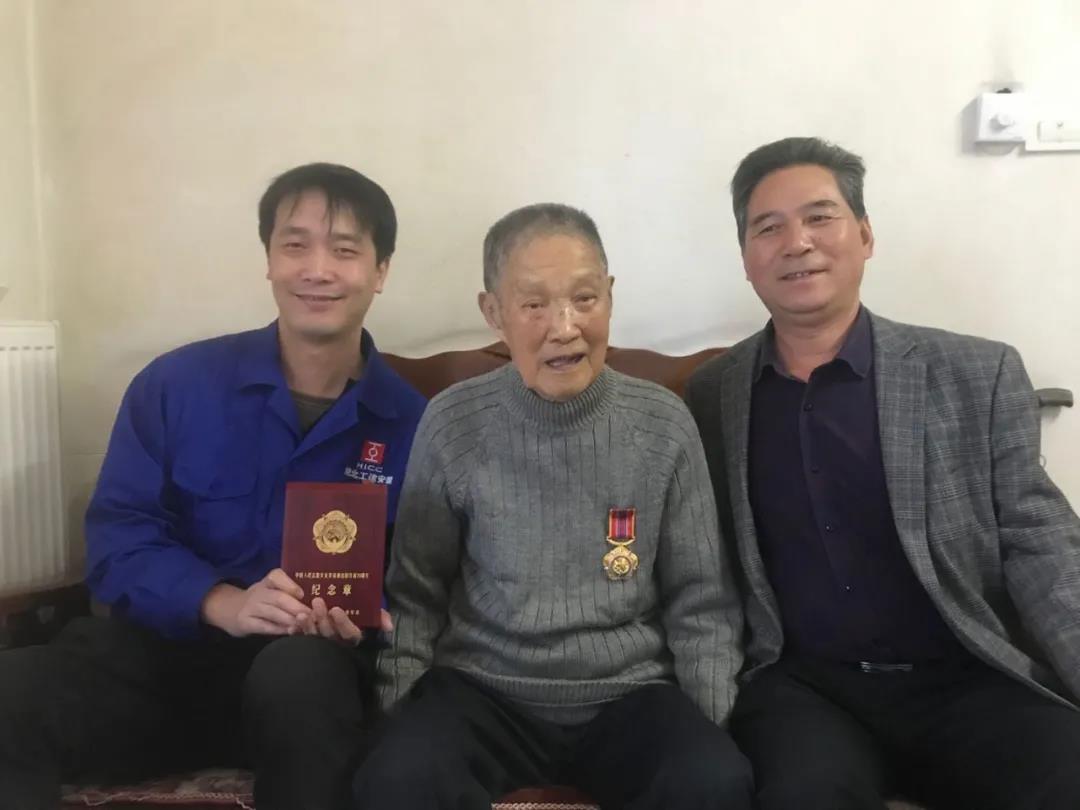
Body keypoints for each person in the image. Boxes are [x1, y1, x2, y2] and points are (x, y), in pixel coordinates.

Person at [0, 163, 426, 810]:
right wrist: (220, 601)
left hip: (309, 683)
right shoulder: (176, 385)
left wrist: (368, 618)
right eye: (295, 245)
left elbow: (421, 576)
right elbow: (118, 540)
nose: (317, 269)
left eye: (345, 250)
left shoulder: (413, 423)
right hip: (161, 661)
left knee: (300, 675)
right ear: (268, 260)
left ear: (381, 270)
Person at [685, 136, 1080, 810]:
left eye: (819, 217)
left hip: (964, 675)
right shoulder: (713, 394)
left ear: (865, 235)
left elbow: (1040, 543)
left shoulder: (976, 374)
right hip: (807, 691)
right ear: (747, 258)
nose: (797, 243)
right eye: (768, 228)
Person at [352, 203, 752, 810]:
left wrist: (707, 728)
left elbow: (702, 601)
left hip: (629, 694)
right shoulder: (454, 422)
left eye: (584, 299)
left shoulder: (663, 423)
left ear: (610, 296)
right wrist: (399, 714)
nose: (564, 328)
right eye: (534, 305)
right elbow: (415, 591)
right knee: (396, 781)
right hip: (482, 690)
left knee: (712, 781)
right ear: (494, 313)